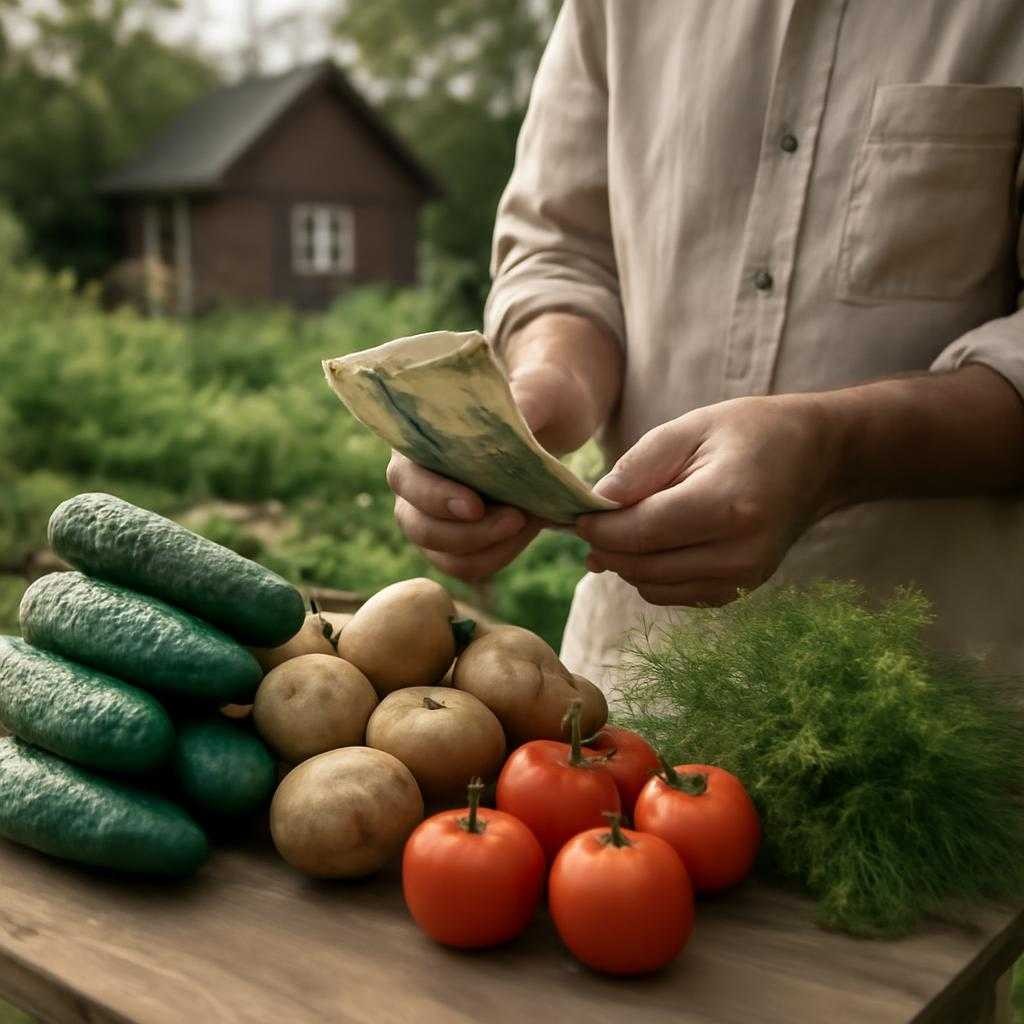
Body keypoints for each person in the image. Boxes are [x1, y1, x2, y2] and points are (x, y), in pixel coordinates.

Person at [387, 1, 1024, 697]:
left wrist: (835, 449)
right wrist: (539, 395)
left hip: (938, 707)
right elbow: (565, 250)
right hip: (630, 693)